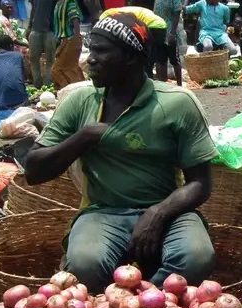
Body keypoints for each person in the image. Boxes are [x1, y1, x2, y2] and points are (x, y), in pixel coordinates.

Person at [24, 12, 218, 293]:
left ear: (131, 56)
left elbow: (201, 183)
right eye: (91, 50)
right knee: (84, 265)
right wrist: (86, 136)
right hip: (104, 211)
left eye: (101, 51)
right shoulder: (80, 101)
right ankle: (123, 303)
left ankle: (144, 301)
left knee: (196, 257)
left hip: (168, 208)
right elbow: (33, 170)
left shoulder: (177, 103)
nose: (89, 59)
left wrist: (158, 213)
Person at [100, 7, 168, 79]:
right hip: (161, 24)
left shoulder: (107, 16)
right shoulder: (119, 11)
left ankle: (149, 78)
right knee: (159, 55)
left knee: (147, 55)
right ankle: (163, 80)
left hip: (151, 25)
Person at [0, 35, 29, 119]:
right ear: (11, 46)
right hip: (20, 101)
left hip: (0, 103)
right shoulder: (18, 56)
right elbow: (24, 77)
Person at [52, 0, 85, 89]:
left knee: (59, 70)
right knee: (71, 68)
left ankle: (70, 91)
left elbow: (75, 19)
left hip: (71, 39)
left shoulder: (69, 2)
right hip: (64, 41)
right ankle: (78, 89)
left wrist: (76, 38)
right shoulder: (58, 4)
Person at [27, 0, 57, 88]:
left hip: (50, 31)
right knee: (34, 60)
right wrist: (29, 27)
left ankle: (48, 85)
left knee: (50, 61)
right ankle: (37, 84)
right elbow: (33, 10)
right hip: (35, 30)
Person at [153, 0, 183, 85]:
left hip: (169, 31)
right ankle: (163, 85)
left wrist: (172, 33)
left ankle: (179, 85)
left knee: (174, 59)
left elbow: (177, 14)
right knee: (160, 60)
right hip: (159, 32)